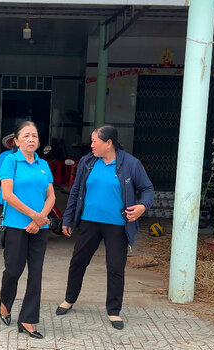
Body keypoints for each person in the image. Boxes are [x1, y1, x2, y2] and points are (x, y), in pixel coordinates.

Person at [56, 125, 154, 330]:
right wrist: (67, 219)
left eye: (94, 142)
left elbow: (147, 188)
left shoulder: (130, 163)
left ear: (108, 143)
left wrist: (142, 206)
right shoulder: (87, 162)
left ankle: (114, 311)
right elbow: (75, 191)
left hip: (117, 225)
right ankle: (69, 299)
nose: (91, 145)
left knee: (115, 267)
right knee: (78, 262)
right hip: (89, 222)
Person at [0, 121, 55, 339]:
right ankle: (5, 301)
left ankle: (28, 319)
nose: (31, 139)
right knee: (13, 270)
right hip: (16, 226)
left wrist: (40, 220)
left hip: (39, 228)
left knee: (36, 273)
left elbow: (51, 196)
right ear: (17, 140)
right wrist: (35, 216)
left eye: (35, 136)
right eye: (27, 136)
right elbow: (8, 195)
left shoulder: (43, 165)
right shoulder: (10, 161)